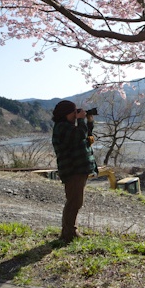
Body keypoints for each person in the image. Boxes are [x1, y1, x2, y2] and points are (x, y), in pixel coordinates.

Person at [51, 100, 96, 242]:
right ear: (65, 113)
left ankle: (70, 231)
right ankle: (69, 233)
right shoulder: (62, 127)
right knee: (74, 201)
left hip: (78, 168)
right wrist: (81, 120)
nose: (76, 114)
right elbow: (79, 136)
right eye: (74, 111)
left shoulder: (68, 127)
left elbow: (85, 136)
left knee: (76, 201)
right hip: (72, 169)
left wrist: (88, 122)